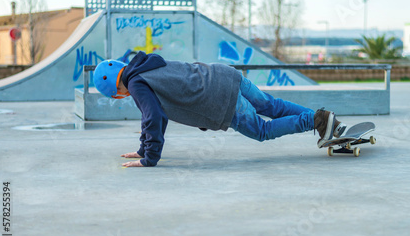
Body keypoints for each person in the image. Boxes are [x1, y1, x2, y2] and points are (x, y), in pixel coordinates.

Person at [93, 51, 347, 167]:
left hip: (220, 99)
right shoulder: (145, 65)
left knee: (262, 131)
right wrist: (142, 148)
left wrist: (149, 158)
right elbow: (156, 115)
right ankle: (328, 121)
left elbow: (153, 117)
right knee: (273, 106)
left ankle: (315, 121)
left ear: (116, 92)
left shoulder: (135, 84)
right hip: (226, 75)